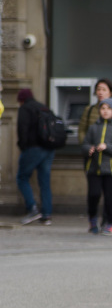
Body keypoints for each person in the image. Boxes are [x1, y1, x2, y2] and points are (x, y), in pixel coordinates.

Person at [81, 99, 112, 236]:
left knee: (109, 197)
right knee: (93, 195)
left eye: (108, 108)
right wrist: (88, 149)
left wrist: (107, 147)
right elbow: (85, 144)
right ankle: (92, 219)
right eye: (103, 108)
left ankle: (111, 223)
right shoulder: (93, 128)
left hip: (110, 169)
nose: (105, 111)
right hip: (94, 167)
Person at [15, 89, 55, 226]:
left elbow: (22, 129)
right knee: (44, 181)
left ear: (21, 100)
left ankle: (32, 208)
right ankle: (47, 214)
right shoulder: (43, 107)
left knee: (22, 177)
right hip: (49, 149)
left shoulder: (25, 109)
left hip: (33, 148)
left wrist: (23, 146)